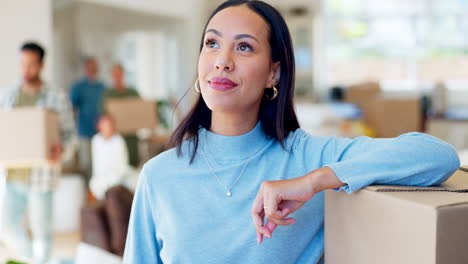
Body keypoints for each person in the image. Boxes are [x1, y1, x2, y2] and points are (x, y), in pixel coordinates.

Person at [123, 1, 460, 263]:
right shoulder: (159, 176)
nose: (222, 60)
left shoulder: (308, 158)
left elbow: (437, 156)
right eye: (212, 43)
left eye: (243, 47)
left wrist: (314, 181)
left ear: (274, 73)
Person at [0, 42, 76, 264]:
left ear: (41, 65)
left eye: (31, 65)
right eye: (22, 64)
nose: (26, 70)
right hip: (12, 176)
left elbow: (70, 136)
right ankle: (29, 259)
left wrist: (61, 151)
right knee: (7, 226)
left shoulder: (56, 97)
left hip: (41, 176)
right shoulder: (7, 96)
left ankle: (40, 261)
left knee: (42, 232)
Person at [69, 57, 106, 185]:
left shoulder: (102, 87)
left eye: (95, 66)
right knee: (87, 163)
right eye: (90, 66)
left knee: (100, 162)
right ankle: (87, 191)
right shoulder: (78, 87)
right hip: (84, 131)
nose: (93, 69)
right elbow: (72, 109)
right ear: (86, 68)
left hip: (100, 132)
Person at [103, 64, 140, 167]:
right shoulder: (108, 94)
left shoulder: (133, 93)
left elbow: (141, 114)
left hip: (131, 137)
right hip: (115, 138)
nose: (117, 77)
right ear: (112, 76)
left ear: (123, 75)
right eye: (115, 75)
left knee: (132, 165)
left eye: (119, 74)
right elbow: (103, 117)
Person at [90, 114, 134, 200]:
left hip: (119, 175)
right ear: (99, 126)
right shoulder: (96, 140)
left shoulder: (118, 140)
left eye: (110, 125)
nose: (108, 128)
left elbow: (122, 164)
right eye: (105, 125)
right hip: (102, 177)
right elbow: (97, 165)